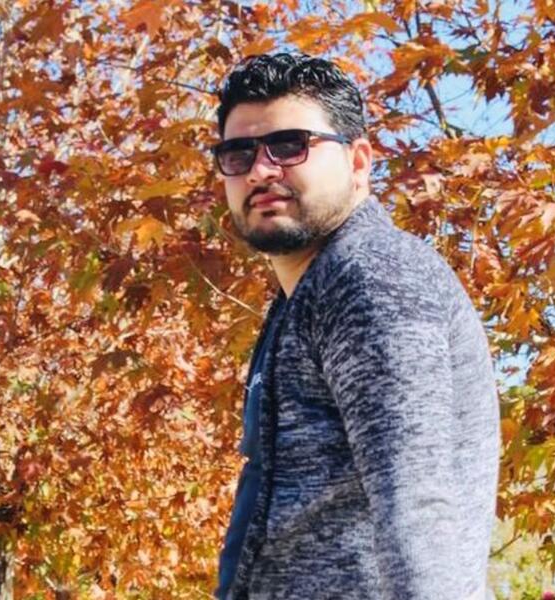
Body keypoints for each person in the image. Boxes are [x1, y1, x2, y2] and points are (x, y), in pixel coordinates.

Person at [212, 53, 500, 600]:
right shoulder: (309, 291)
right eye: (238, 152)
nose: (261, 169)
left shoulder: (369, 277)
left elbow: (416, 503)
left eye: (290, 145)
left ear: (360, 160)